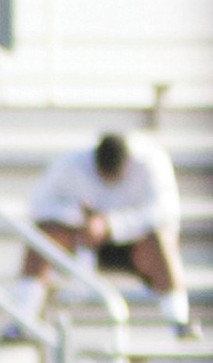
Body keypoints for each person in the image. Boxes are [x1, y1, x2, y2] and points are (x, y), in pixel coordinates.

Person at [19, 133, 192, 338]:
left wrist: (110, 224)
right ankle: (22, 320)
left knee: (162, 239)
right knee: (46, 236)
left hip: (133, 244)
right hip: (80, 243)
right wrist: (77, 219)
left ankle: (179, 320)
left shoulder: (152, 161)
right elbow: (38, 206)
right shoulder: (70, 163)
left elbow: (164, 211)